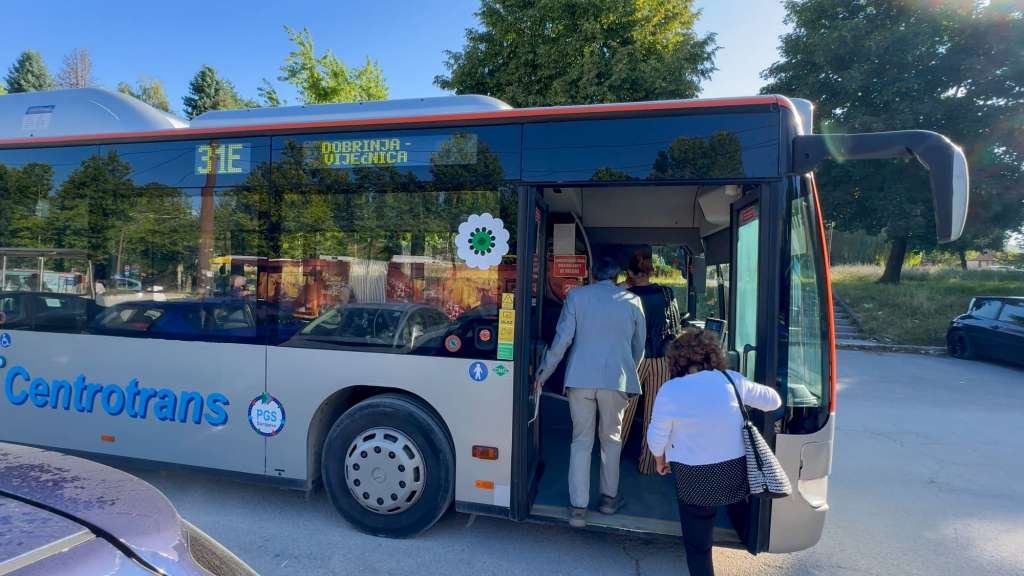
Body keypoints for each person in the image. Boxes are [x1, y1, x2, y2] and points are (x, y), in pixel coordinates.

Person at [646, 329, 782, 576]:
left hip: (693, 477)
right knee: (731, 501)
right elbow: (774, 401)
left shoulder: (671, 390)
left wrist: (659, 460)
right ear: (714, 354)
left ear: (676, 359)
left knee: (698, 543)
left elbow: (657, 437)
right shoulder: (732, 380)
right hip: (734, 474)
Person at [534, 256, 646, 528]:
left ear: (592, 275)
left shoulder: (577, 297)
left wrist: (543, 374)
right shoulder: (633, 301)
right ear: (617, 276)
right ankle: (609, 499)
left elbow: (562, 341)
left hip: (580, 378)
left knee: (581, 441)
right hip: (616, 380)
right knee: (611, 441)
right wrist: (627, 371)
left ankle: (578, 509)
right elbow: (638, 347)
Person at [620, 249, 684, 474]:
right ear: (651, 271)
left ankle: (611, 458)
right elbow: (675, 326)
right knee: (654, 414)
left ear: (630, 272)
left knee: (623, 410)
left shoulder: (625, 296)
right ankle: (648, 465)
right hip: (660, 358)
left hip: (633, 359)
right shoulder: (667, 293)